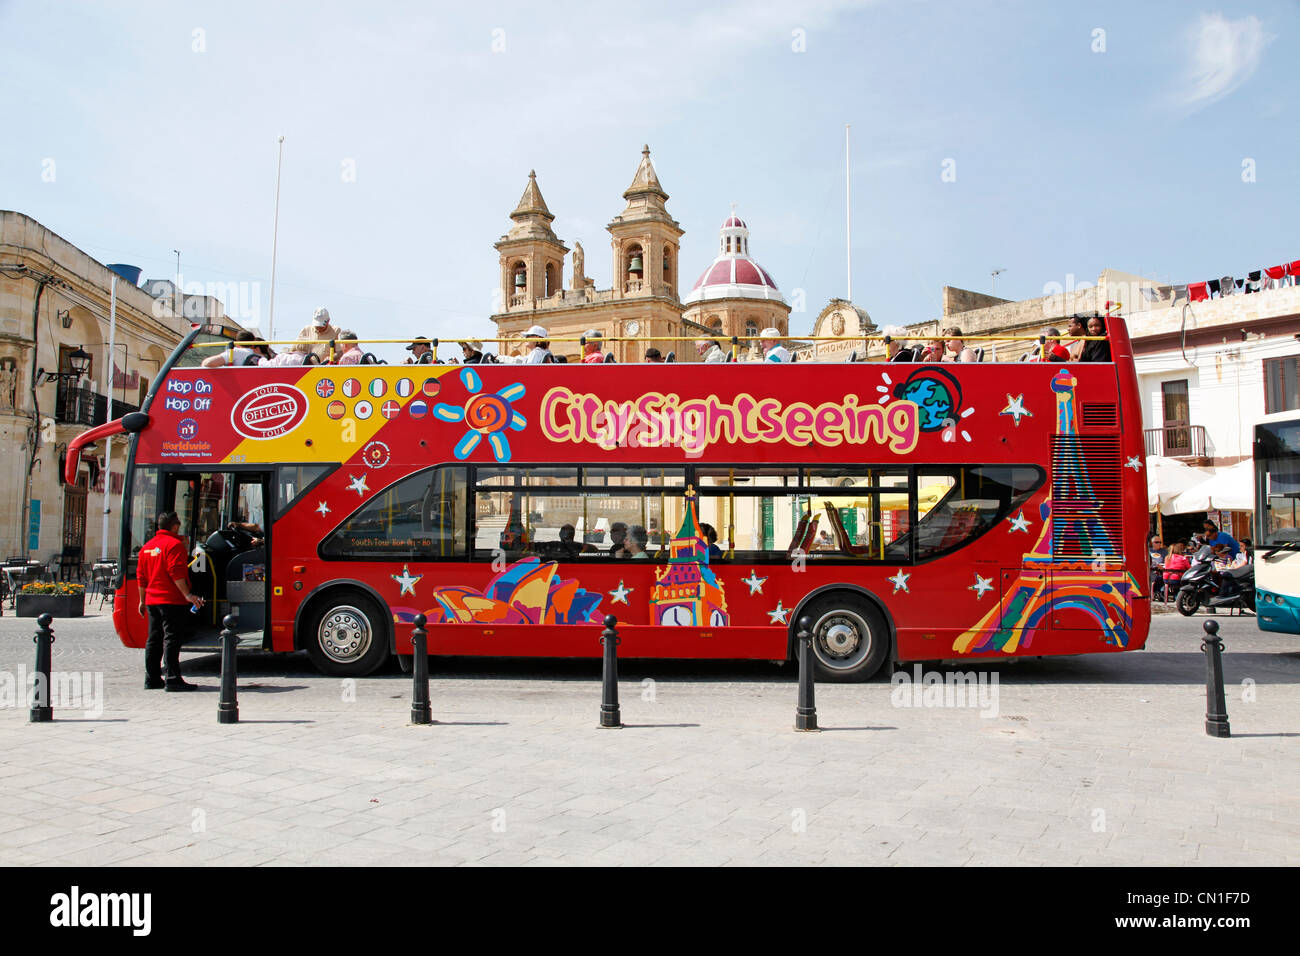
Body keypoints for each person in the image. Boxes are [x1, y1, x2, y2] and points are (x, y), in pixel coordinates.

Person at [137, 511, 205, 691]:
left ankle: (151, 678)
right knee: (172, 638)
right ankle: (173, 678)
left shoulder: (147, 547)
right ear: (174, 526)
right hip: (171, 599)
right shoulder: (175, 545)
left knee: (154, 638)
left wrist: (142, 601)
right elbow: (176, 572)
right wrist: (187, 595)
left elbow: (141, 577)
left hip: (152, 600)